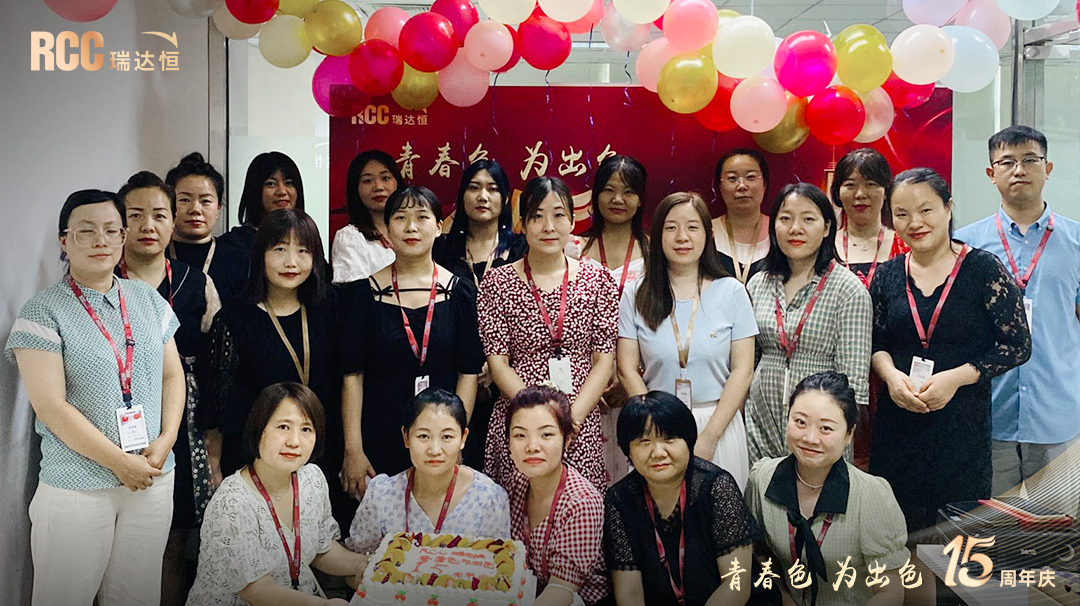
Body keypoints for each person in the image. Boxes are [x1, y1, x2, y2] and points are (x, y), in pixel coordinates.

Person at [6, 189, 184, 606]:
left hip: (151, 478)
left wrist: (166, 439)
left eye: (111, 230)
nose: (101, 240)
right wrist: (119, 462)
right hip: (78, 486)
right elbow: (51, 407)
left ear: (123, 236)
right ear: (64, 240)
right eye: (86, 231)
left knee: (137, 596)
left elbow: (173, 375)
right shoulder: (42, 312)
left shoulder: (147, 299)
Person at [870, 168, 1031, 532]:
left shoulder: (983, 270)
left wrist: (956, 378)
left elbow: (1017, 345)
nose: (915, 222)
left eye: (926, 210)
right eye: (901, 213)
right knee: (897, 535)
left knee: (959, 543)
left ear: (948, 207)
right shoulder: (888, 275)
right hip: (898, 425)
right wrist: (891, 377)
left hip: (961, 428)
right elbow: (877, 344)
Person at [955, 126, 1080, 512]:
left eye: (1030, 160)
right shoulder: (965, 244)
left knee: (1058, 531)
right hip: (990, 411)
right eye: (1007, 162)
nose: (1019, 170)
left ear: (1048, 168)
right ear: (991, 173)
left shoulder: (1077, 242)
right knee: (991, 528)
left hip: (1059, 411)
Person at [200, 209, 348, 529]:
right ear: (260, 255)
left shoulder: (332, 307)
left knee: (318, 541)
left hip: (321, 452)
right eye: (280, 249)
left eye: (303, 251)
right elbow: (216, 403)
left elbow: (349, 381)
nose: (291, 262)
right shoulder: (234, 318)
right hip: (256, 459)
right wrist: (214, 465)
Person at [117, 171, 221, 606]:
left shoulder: (196, 282)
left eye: (159, 215)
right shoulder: (105, 280)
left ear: (172, 220)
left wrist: (213, 442)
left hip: (185, 417)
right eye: (135, 215)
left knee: (174, 533)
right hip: (118, 408)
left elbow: (216, 363)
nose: (148, 226)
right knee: (115, 536)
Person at [339, 186, 485, 494]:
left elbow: (469, 373)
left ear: (439, 226)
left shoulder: (460, 292)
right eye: (400, 218)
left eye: (421, 217)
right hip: (381, 434)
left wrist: (456, 440)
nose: (411, 227)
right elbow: (352, 377)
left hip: (441, 439)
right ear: (387, 229)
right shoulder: (363, 294)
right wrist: (353, 449)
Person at [478, 176, 619, 494]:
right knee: (517, 511)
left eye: (558, 215)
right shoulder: (497, 283)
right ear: (523, 224)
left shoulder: (598, 279)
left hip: (578, 421)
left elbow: (603, 360)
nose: (548, 226)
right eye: (537, 216)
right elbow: (498, 364)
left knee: (578, 509)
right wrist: (537, 418)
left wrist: (571, 418)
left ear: (572, 221)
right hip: (520, 421)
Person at [617, 192, 756, 490]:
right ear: (658, 235)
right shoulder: (636, 293)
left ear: (708, 234)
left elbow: (743, 370)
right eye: (671, 227)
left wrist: (709, 437)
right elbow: (627, 368)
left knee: (719, 514)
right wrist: (654, 428)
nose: (682, 237)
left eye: (692, 227)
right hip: (655, 428)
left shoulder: (732, 292)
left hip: (718, 423)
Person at [186, 383, 365, 606]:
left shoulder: (312, 479)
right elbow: (257, 591)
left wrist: (363, 564)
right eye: (283, 427)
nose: (294, 441)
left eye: (306, 429)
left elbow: (322, 550)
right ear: (259, 429)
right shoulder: (232, 501)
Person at [745, 372, 908, 606]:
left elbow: (890, 592)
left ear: (849, 434)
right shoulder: (762, 478)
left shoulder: (871, 495)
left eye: (826, 428)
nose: (811, 438)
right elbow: (761, 554)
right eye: (800, 422)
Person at [745, 183, 872, 466]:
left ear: (827, 227)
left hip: (818, 430)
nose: (795, 229)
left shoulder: (848, 290)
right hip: (760, 422)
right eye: (785, 218)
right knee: (761, 490)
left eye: (808, 219)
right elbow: (747, 361)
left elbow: (852, 384)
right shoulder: (758, 283)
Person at [605, 391, 756, 606]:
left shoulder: (717, 487)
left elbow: (736, 586)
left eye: (669, 439)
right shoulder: (619, 500)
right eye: (644, 441)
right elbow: (629, 594)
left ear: (688, 441)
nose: (658, 452)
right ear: (628, 449)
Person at [435, 159, 527, 469]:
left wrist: (496, 362)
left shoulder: (522, 249)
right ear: (462, 196)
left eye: (492, 189)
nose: (483, 196)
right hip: (455, 374)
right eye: (474, 188)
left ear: (506, 198)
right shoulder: (442, 250)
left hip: (510, 374)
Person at [346, 388, 510, 554]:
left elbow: (500, 563)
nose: (435, 450)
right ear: (406, 437)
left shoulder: (489, 498)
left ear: (463, 438)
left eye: (447, 437)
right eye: (423, 436)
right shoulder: (381, 496)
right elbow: (358, 561)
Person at [567, 155, 649, 486]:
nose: (618, 199)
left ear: (640, 199)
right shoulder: (573, 249)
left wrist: (630, 377)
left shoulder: (655, 252)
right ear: (596, 194)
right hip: (583, 387)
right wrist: (595, 380)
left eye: (628, 191)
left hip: (639, 381)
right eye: (609, 190)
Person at [829, 148, 909, 468]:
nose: (860, 194)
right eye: (850, 184)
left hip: (893, 372)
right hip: (837, 368)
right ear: (837, 192)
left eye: (871, 184)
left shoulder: (906, 245)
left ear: (887, 190)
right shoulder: (823, 247)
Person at [506, 385, 609, 606]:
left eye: (546, 435)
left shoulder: (582, 502)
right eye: (520, 435)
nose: (532, 446)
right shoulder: (516, 482)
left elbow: (562, 590)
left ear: (567, 439)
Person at [165, 152, 249, 304]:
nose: (195, 209)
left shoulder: (239, 260)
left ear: (218, 208)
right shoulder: (156, 255)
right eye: (184, 200)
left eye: (205, 201)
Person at [220, 151, 306, 262]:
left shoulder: (307, 240)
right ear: (255, 190)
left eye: (288, 183)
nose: (282, 191)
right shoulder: (233, 245)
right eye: (271, 184)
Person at [332, 149, 402, 283]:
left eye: (385, 178)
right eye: (367, 181)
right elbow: (354, 293)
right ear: (356, 189)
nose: (378, 187)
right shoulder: (351, 237)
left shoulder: (413, 230)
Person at [710, 149, 771, 284]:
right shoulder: (706, 232)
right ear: (720, 187)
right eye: (732, 178)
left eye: (750, 177)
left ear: (764, 185)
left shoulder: (780, 232)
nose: (742, 186)